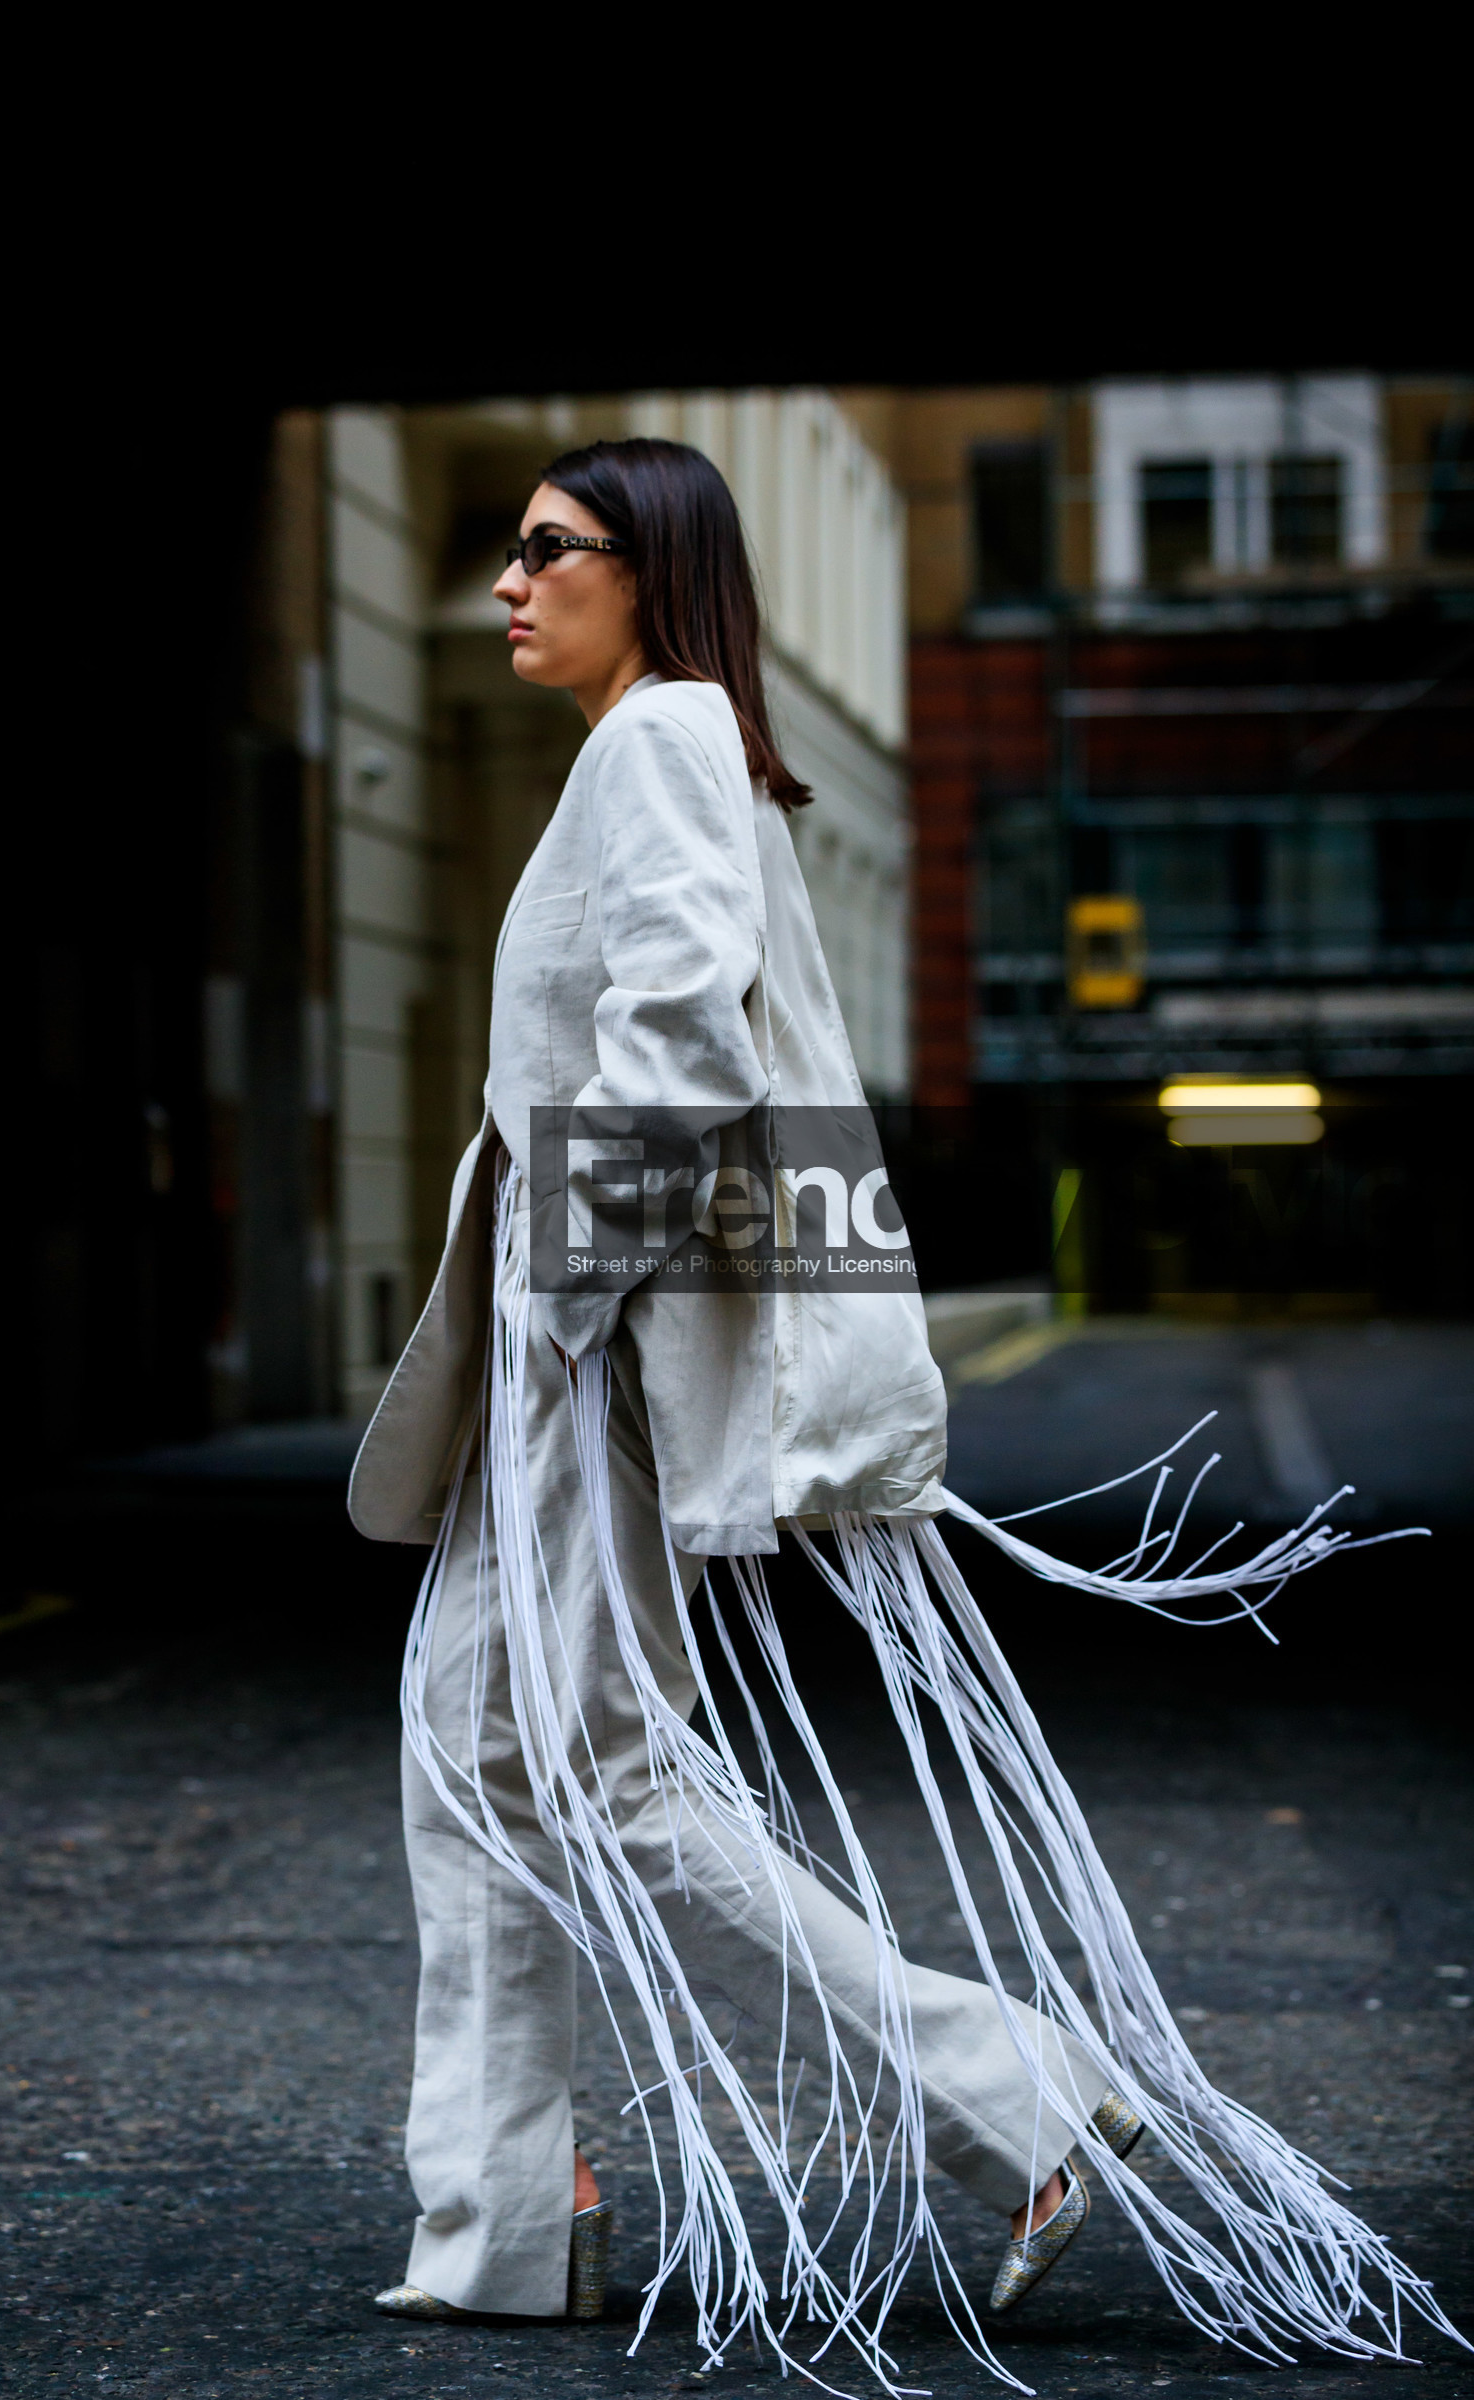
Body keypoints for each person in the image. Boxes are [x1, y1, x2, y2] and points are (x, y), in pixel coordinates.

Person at [347, 439, 1459, 2390]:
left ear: (647, 569)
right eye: (511, 556)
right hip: (578, 1349)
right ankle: (523, 2207)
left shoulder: (663, 739)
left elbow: (679, 1041)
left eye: (546, 553)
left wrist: (566, 1307)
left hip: (584, 1354)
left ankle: (973, 2102)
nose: (508, 583)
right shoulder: (665, 742)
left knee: (570, 1766)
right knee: (499, 1750)